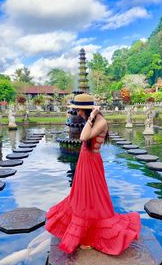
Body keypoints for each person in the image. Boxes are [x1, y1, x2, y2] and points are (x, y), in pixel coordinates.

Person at [45, 94, 141, 255]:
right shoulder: (93, 119)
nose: (77, 113)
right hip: (85, 160)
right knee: (82, 196)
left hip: (92, 162)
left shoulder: (100, 121)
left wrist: (91, 117)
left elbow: (83, 137)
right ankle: (85, 229)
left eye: (78, 110)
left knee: (93, 197)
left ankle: (90, 234)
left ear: (87, 109)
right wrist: (90, 117)